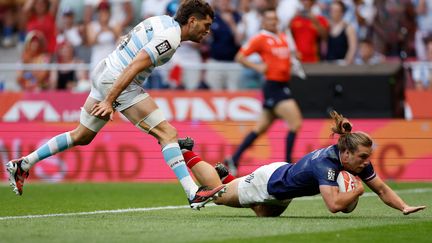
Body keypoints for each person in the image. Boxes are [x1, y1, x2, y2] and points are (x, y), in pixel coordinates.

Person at [6, 0, 225, 210]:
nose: (207, 31)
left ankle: (23, 164)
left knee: (82, 135)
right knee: (167, 133)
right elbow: (135, 64)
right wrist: (109, 100)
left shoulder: (162, 21)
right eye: (206, 25)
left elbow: (127, 37)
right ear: (192, 21)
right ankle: (192, 193)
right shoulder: (171, 37)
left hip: (105, 70)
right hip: (117, 79)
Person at [179, 111, 426, 217]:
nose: (367, 162)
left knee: (264, 213)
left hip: (283, 189)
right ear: (347, 153)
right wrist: (358, 189)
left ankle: (232, 180)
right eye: (363, 157)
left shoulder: (354, 160)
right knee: (218, 196)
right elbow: (333, 205)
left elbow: (382, 189)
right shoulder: (327, 164)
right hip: (268, 182)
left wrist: (403, 206)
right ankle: (187, 152)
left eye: (367, 157)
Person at [224, 8, 302, 176]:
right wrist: (258, 67)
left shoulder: (282, 37)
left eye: (275, 19)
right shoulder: (260, 38)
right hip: (274, 87)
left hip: (283, 84)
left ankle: (233, 158)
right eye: (269, 19)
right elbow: (240, 57)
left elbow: (286, 58)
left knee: (260, 128)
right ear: (264, 22)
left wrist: (294, 62)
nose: (273, 22)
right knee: (295, 122)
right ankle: (288, 165)